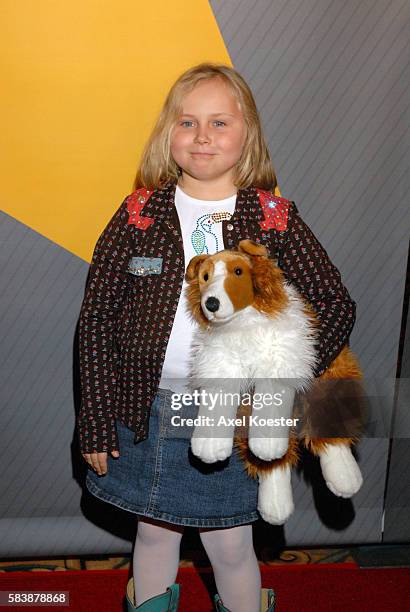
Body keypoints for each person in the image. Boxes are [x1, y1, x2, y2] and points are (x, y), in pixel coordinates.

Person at [77, 63, 356, 612]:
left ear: (247, 134)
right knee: (153, 535)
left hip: (230, 417)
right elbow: (96, 319)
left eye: (220, 122)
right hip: (145, 410)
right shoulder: (138, 214)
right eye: (188, 121)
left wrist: (278, 380)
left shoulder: (273, 218)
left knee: (230, 543)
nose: (202, 135)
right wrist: (95, 415)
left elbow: (334, 302)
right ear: (168, 134)